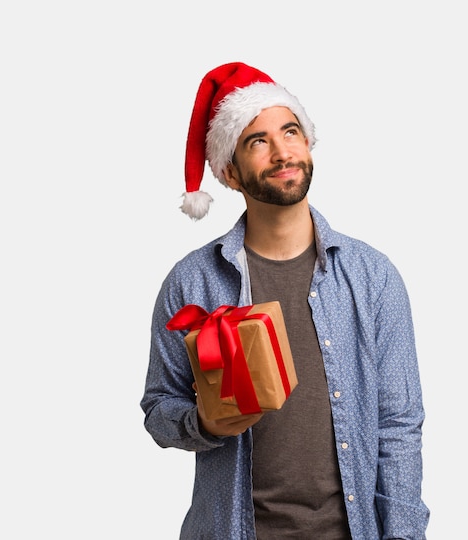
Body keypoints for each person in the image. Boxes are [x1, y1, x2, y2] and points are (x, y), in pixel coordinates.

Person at [140, 62, 430, 539]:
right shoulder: (192, 283)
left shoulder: (373, 277)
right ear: (230, 174)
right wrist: (204, 422)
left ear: (307, 144)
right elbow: (159, 409)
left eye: (290, 131)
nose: (281, 152)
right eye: (258, 141)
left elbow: (398, 427)